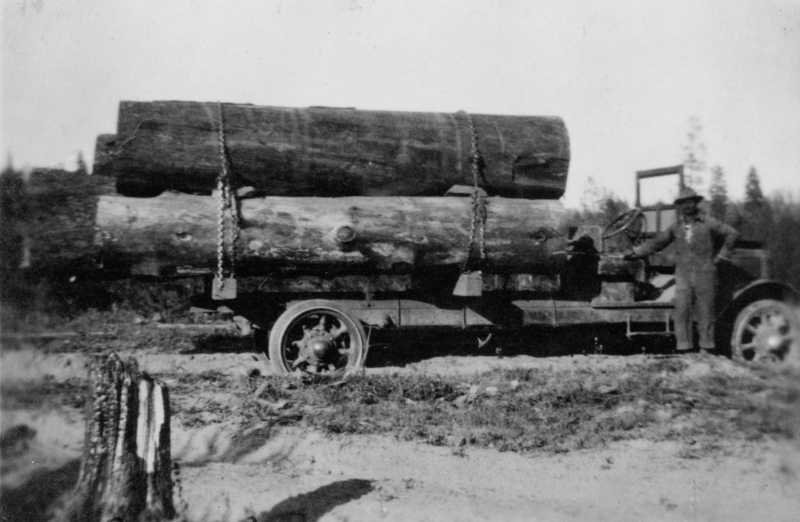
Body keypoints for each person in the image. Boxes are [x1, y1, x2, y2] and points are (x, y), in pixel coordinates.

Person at [624, 187, 738, 354]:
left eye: (690, 201)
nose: (687, 205)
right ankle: (684, 350)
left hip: (705, 274)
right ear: (679, 206)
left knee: (705, 313)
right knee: (681, 311)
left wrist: (722, 256)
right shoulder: (675, 227)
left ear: (696, 203)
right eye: (683, 202)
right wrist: (636, 253)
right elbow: (657, 243)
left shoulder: (709, 223)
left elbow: (732, 234)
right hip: (683, 276)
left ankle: (707, 351)